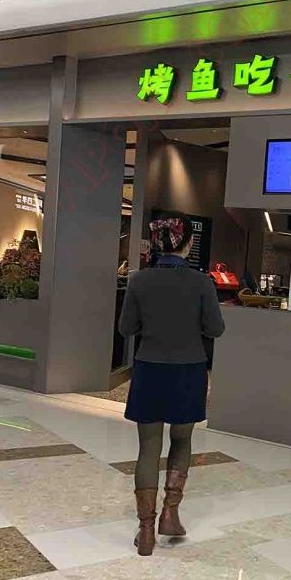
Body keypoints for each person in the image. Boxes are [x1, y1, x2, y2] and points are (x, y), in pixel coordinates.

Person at [119, 213, 225, 555]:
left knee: (148, 447)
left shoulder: (138, 281)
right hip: (188, 371)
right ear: (188, 244)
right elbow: (216, 329)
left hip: (149, 370)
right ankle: (170, 515)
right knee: (182, 440)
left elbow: (126, 328)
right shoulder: (201, 283)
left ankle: (145, 531)